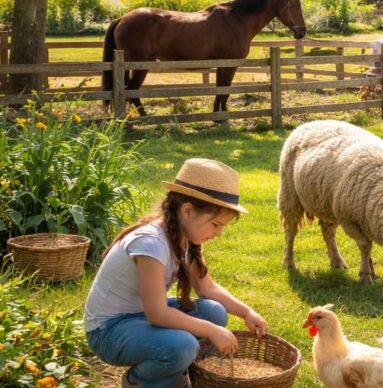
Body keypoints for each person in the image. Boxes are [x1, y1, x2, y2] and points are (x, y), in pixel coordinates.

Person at [84, 159, 268, 388]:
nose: (218, 233)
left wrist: (246, 312)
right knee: (183, 345)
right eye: (216, 224)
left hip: (138, 317)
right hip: (108, 331)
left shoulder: (183, 236)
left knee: (214, 312)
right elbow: (157, 314)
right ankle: (139, 382)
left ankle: (175, 374)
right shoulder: (150, 244)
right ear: (188, 210)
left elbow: (206, 288)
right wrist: (212, 331)